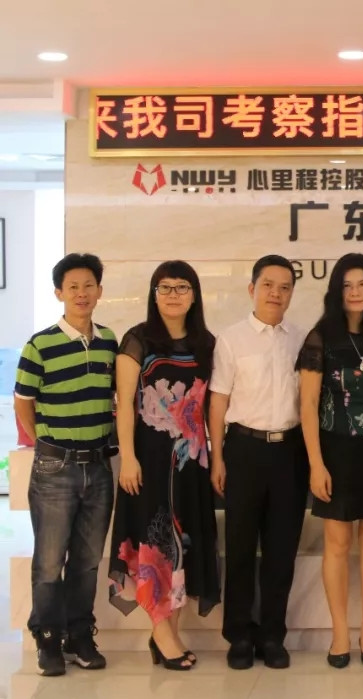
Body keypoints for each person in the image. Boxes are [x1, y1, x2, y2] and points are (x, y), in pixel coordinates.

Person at [108, 260, 220, 671]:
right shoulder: (137, 340)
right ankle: (161, 632)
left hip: (191, 461)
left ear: (194, 295)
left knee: (182, 545)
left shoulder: (206, 343)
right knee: (155, 543)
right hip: (150, 459)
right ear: (154, 295)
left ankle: (168, 633)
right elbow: (124, 405)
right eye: (165, 287)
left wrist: (216, 456)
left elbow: (212, 405)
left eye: (182, 287)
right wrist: (128, 458)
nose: (174, 295)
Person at [14, 253, 118, 677]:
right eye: (73, 286)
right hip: (55, 470)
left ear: (99, 291)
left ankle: (79, 636)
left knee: (87, 562)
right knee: (49, 561)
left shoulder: (109, 341)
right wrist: (46, 443)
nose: (81, 293)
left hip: (99, 468)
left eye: (89, 285)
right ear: (59, 293)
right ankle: (47, 638)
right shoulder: (39, 344)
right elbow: (24, 402)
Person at [298, 253, 363, 669]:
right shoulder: (321, 337)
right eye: (347, 285)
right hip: (334, 453)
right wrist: (315, 464)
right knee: (337, 545)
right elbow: (307, 405)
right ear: (336, 292)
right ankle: (340, 633)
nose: (355, 292)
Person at [209, 255, 308, 670]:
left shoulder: (302, 339)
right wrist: (217, 457)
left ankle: (272, 635)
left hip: (290, 451)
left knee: (282, 550)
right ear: (252, 289)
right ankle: (239, 635)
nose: (276, 294)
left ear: (292, 293)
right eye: (268, 285)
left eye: (285, 287)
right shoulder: (231, 339)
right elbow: (218, 400)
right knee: (240, 546)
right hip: (243, 450)